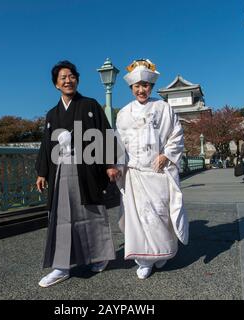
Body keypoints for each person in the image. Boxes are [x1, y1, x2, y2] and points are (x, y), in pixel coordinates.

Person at [35, 61, 120, 287]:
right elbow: (46, 145)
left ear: (77, 80)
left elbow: (105, 133)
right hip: (60, 168)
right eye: (62, 77)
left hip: (88, 167)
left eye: (71, 76)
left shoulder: (90, 105)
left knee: (91, 211)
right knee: (62, 217)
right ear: (56, 85)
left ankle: (100, 257)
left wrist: (109, 163)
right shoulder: (52, 114)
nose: (68, 80)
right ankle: (61, 267)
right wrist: (42, 172)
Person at [115, 59, 189, 280]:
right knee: (138, 217)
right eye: (137, 86)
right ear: (131, 88)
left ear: (152, 87)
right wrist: (118, 166)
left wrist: (167, 154)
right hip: (135, 172)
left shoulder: (164, 108)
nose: (141, 90)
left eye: (145, 85)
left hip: (158, 172)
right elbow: (119, 143)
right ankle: (144, 260)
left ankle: (162, 252)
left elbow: (176, 134)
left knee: (159, 214)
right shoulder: (124, 113)